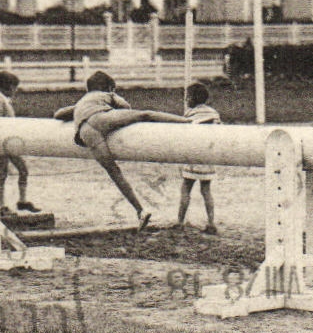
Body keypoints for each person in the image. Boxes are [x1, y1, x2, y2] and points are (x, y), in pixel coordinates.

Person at [54, 70, 186, 232]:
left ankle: (140, 210)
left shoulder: (82, 102)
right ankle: (186, 121)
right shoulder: (107, 95)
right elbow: (126, 107)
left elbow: (58, 114)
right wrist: (113, 103)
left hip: (85, 132)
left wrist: (76, 110)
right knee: (146, 114)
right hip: (101, 119)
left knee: (114, 171)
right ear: (109, 88)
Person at [175, 82, 221, 235]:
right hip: (207, 156)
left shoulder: (190, 114)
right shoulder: (214, 113)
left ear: (192, 98)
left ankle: (180, 222)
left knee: (185, 188)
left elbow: (183, 134)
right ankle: (211, 222)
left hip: (193, 156)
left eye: (187, 97)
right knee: (206, 190)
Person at [0, 70, 37, 214]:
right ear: (8, 87)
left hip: (9, 143)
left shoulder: (4, 100)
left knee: (22, 170)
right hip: (3, 143)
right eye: (14, 87)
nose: (15, 91)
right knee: (2, 174)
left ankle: (22, 201)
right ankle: (1, 205)